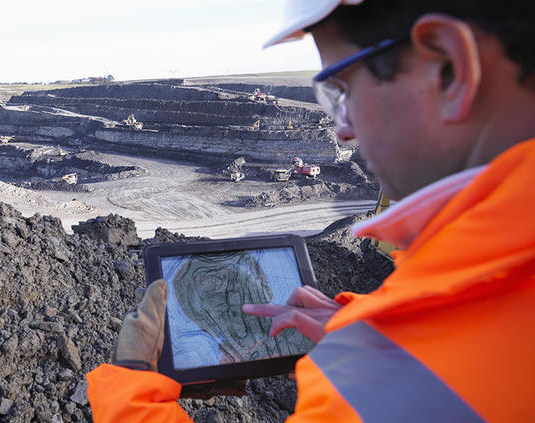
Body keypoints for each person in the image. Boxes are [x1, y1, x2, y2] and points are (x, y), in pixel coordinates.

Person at [86, 0, 535, 421]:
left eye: (341, 89)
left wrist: (134, 382)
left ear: (448, 67)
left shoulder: (379, 386)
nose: (342, 131)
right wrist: (374, 324)